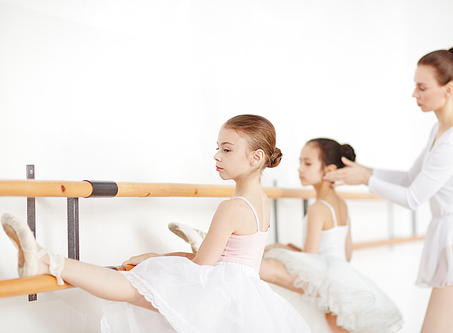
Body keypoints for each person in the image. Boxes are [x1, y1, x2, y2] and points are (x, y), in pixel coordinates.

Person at [1, 114, 312, 333]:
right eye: (217, 148)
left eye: (227, 149)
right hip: (243, 295)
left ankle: (45, 259)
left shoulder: (232, 207)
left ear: (256, 157)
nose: (217, 156)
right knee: (137, 286)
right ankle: (44, 259)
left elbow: (202, 265)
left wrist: (158, 259)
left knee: (131, 284)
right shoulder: (262, 202)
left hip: (220, 293)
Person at [323, 47, 453, 333]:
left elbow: (413, 197)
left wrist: (366, 180)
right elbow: (409, 178)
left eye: (422, 87)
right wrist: (364, 171)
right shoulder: (440, 133)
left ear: (449, 89)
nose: (414, 93)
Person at [170, 138, 404, 333]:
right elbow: (347, 252)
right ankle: (216, 243)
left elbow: (310, 261)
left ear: (329, 171)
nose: (300, 168)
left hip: (324, 276)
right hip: (343, 276)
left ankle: (211, 242)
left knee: (251, 265)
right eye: (301, 162)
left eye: (307, 163)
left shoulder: (317, 208)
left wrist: (284, 249)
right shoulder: (340, 205)